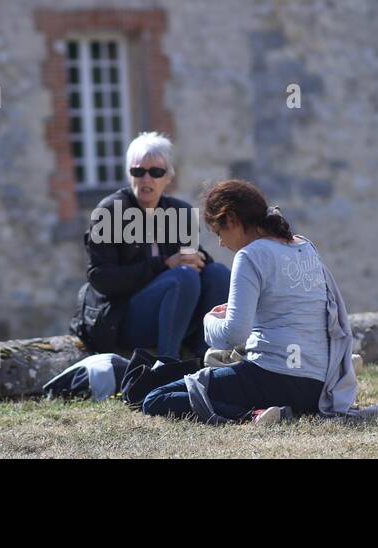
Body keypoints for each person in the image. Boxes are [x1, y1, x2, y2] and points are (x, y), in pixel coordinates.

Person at [140, 179, 357, 424]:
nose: (221, 242)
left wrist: (209, 320)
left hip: (271, 375)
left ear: (231, 219)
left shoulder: (250, 255)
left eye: (219, 232)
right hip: (316, 387)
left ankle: (252, 415)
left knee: (156, 398)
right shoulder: (305, 246)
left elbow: (233, 336)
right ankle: (271, 409)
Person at [70, 132, 231, 359]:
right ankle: (167, 363)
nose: (147, 179)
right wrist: (163, 265)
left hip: (175, 311)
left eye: (156, 172)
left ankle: (206, 356)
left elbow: (191, 262)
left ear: (168, 177)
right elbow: (100, 279)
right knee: (183, 276)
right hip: (120, 319)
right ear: (129, 174)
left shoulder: (180, 212)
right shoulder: (109, 211)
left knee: (218, 273)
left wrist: (198, 259)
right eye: (139, 171)